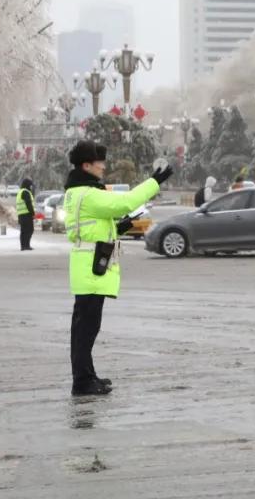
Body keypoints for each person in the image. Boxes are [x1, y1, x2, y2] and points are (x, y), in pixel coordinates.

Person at [64, 140, 173, 396]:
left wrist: (120, 227)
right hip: (92, 269)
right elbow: (124, 203)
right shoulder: (88, 193)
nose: (103, 167)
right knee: (86, 331)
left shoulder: (77, 192)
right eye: (99, 163)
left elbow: (93, 225)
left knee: (84, 329)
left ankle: (87, 376)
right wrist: (154, 182)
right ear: (86, 165)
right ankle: (82, 382)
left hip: (87, 267)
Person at [16, 178, 36, 251]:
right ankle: (26, 245)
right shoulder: (25, 192)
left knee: (24, 231)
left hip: (21, 215)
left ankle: (24, 246)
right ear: (27, 185)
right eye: (30, 185)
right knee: (29, 230)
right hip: (26, 214)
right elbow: (28, 204)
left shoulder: (21, 192)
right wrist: (32, 213)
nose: (31, 187)